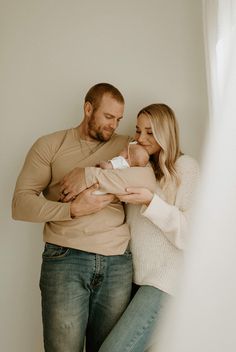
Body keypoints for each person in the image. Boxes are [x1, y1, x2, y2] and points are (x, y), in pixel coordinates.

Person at [11, 83, 156, 352]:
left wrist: (89, 174)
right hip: (65, 259)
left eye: (119, 119)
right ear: (88, 109)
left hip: (117, 263)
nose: (114, 125)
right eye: (108, 117)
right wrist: (72, 210)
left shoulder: (127, 147)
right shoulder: (50, 145)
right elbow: (20, 204)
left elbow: (149, 181)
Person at [59, 103, 199, 352]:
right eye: (137, 131)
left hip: (166, 281)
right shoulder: (138, 169)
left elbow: (193, 237)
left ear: (166, 133)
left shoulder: (185, 168)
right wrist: (116, 165)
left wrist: (149, 201)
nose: (141, 139)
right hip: (132, 279)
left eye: (149, 132)